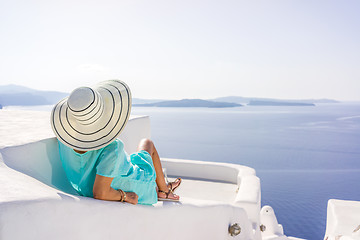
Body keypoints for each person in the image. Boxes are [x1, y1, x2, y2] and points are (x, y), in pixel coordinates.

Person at [50, 79, 181, 205]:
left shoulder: (65, 141)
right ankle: (164, 190)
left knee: (135, 158)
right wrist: (125, 196)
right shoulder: (112, 147)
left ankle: (163, 186)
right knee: (147, 144)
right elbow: (100, 193)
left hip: (88, 187)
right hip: (137, 185)